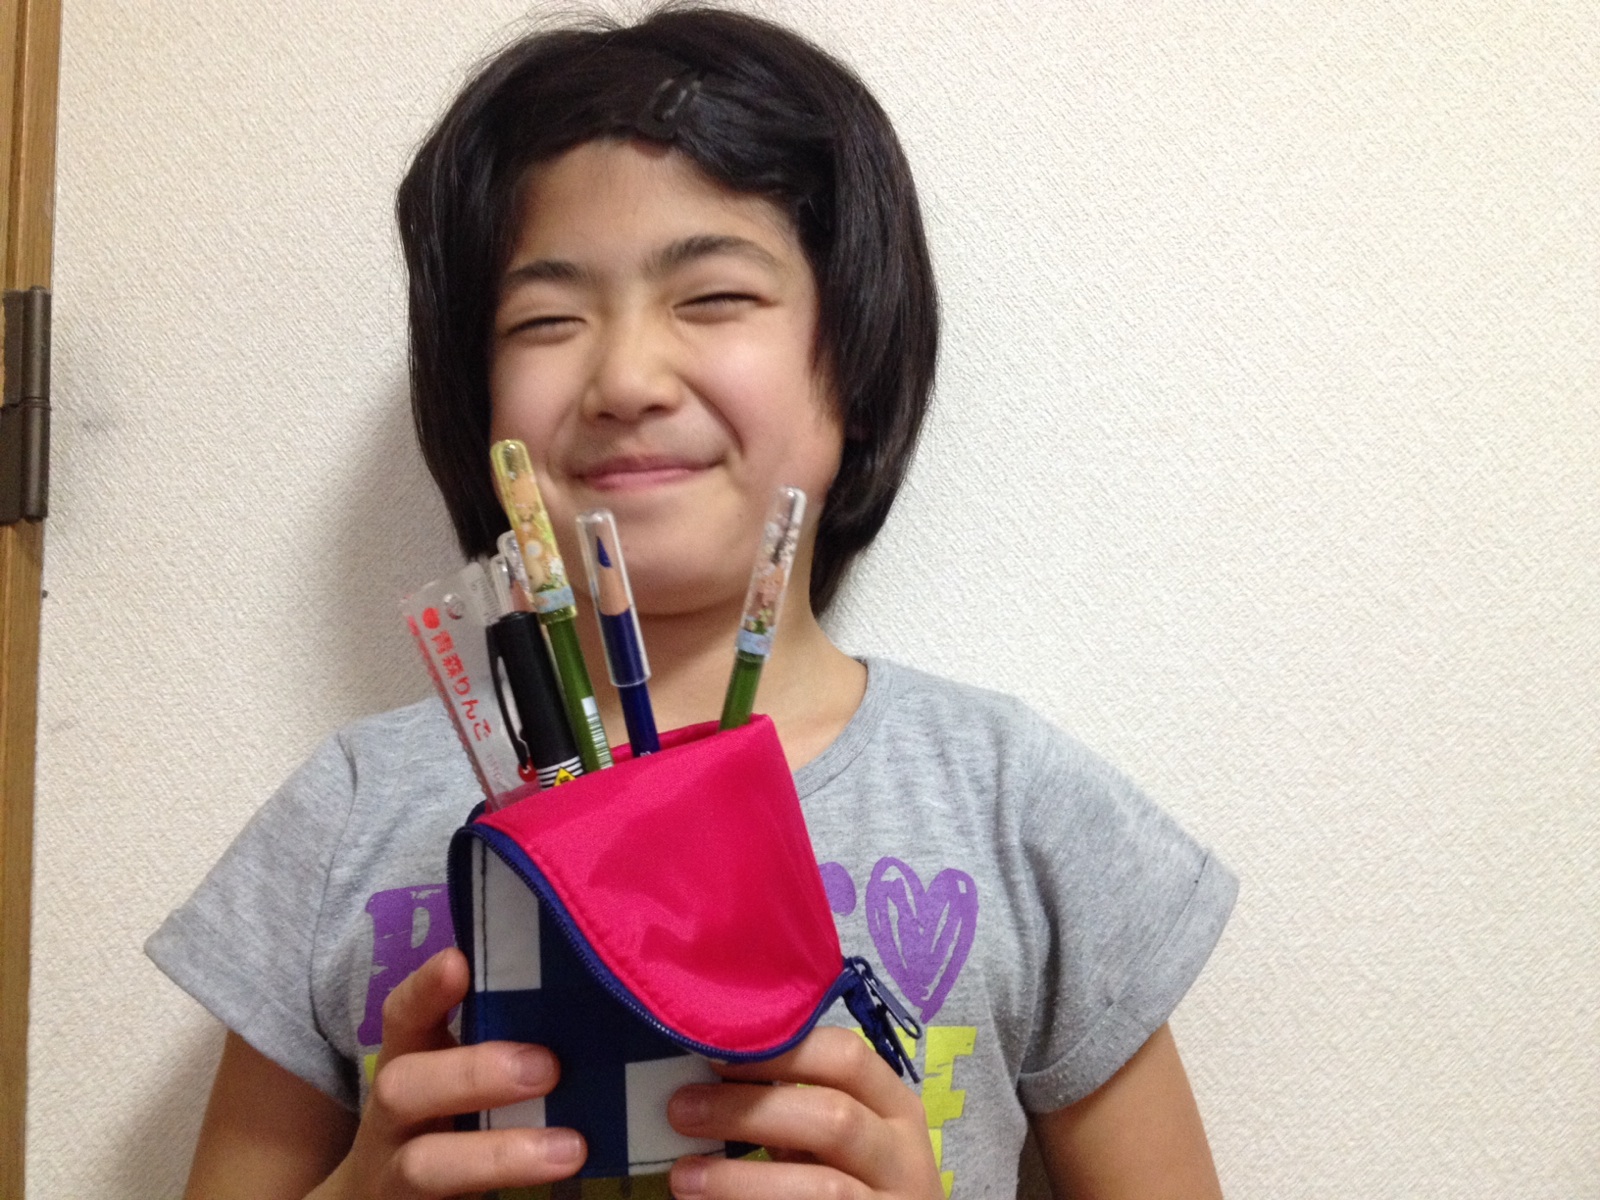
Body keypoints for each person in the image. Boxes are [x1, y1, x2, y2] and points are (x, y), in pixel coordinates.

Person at [147, 8, 1237, 1198]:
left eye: (713, 297)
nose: (624, 379)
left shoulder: (1015, 802)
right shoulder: (351, 813)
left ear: (856, 361)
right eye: (545, 320)